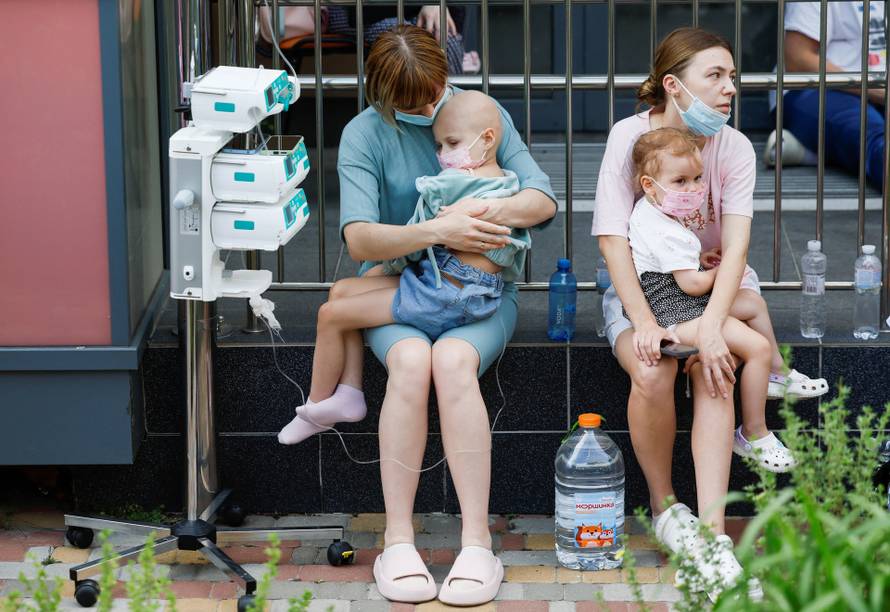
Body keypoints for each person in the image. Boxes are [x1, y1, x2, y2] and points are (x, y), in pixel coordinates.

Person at [327, 26, 555, 605]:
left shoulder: (476, 112)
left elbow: (541, 199)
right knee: (410, 363)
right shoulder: (363, 135)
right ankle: (397, 540)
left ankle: (477, 543)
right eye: (413, 102)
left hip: (482, 292)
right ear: (383, 95)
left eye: (434, 92)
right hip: (405, 285)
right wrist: (436, 230)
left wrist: (484, 212)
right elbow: (359, 238)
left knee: (452, 363)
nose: (430, 109)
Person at [594, 27, 767, 601]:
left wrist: (712, 327)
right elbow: (612, 239)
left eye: (732, 76)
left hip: (710, 288)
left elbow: (736, 249)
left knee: (715, 366)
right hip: (640, 290)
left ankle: (714, 537)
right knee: (652, 370)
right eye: (715, 76)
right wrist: (643, 322)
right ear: (673, 84)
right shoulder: (628, 137)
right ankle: (667, 507)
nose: (730, 88)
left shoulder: (736, 149)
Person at [277, 89, 531, 445]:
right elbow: (516, 246)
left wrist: (387, 268)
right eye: (439, 146)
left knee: (330, 314)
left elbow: (417, 239)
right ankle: (349, 391)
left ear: (487, 138)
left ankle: (315, 407)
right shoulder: (509, 184)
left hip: (445, 293)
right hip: (472, 288)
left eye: (451, 144)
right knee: (343, 290)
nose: (442, 155)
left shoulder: (447, 185)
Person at [628, 127, 815, 474]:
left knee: (753, 304)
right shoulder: (663, 228)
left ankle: (777, 373)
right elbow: (692, 284)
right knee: (756, 348)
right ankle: (753, 432)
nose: (693, 188)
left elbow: (672, 263)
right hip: (678, 314)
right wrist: (720, 269)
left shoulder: (652, 212)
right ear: (649, 185)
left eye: (698, 178)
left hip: (683, 302)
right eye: (681, 181)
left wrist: (701, 260)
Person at [766, 1, 886, 192]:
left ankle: (813, 151)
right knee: (876, 139)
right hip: (814, 89)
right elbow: (797, 59)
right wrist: (879, 91)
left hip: (873, 92)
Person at [327, 5, 468, 74]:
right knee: (402, 41)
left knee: (446, 38)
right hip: (357, 10)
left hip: (413, 9)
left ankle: (454, 112)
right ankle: (410, 112)